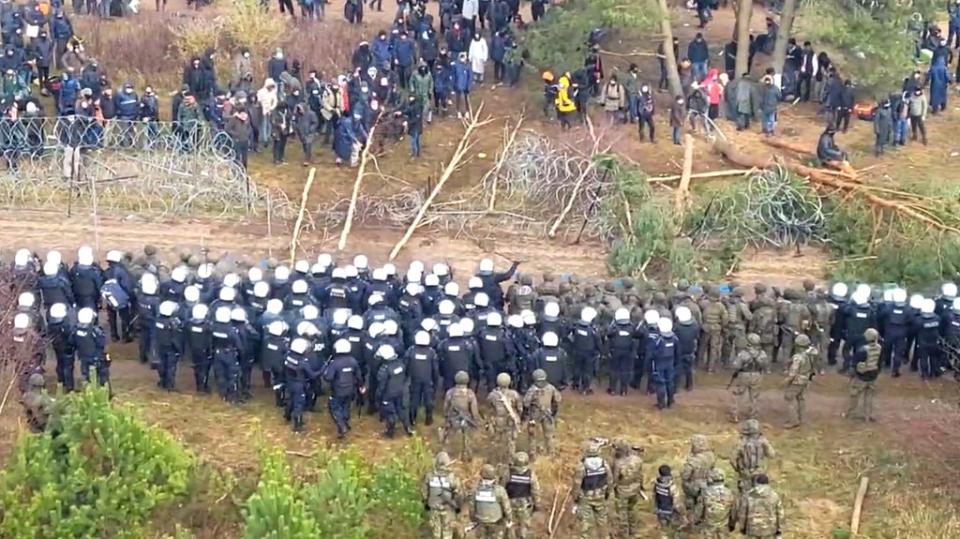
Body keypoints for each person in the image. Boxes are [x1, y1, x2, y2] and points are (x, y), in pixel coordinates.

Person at [730, 419, 775, 507]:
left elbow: (732, 459)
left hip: (745, 474)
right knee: (761, 497)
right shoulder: (763, 441)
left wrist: (739, 470)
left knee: (744, 498)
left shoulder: (741, 442)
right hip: (760, 473)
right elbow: (772, 454)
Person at [572, 440, 611, 539]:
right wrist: (608, 493)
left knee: (585, 522)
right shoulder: (604, 463)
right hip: (601, 494)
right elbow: (610, 479)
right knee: (602, 520)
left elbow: (577, 483)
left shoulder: (582, 466)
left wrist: (575, 498)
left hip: (586, 497)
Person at [441, 370, 480, 459]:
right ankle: (467, 455)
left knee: (451, 439)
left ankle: (451, 455)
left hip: (453, 421)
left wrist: (447, 418)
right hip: (467, 421)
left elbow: (445, 409)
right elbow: (474, 411)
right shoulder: (470, 394)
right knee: (467, 439)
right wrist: (475, 420)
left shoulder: (450, 392)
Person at [423, 451, 462, 539]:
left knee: (435, 533)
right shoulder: (452, 477)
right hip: (448, 509)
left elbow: (424, 492)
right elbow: (458, 494)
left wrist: (426, 504)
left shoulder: (429, 476)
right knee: (447, 532)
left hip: (433, 508)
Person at [523, 368, 561, 457]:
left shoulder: (532, 389)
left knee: (532, 436)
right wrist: (553, 412)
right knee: (549, 435)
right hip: (548, 414)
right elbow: (557, 400)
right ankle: (551, 453)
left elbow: (526, 403)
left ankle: (533, 454)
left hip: (534, 415)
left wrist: (525, 415)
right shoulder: (551, 387)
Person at [611, 438, 644, 538]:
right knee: (632, 510)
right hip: (635, 489)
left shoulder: (618, 463)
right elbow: (640, 475)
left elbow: (615, 480)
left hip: (622, 491)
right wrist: (640, 487)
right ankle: (633, 531)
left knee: (622, 513)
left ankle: (625, 534)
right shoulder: (638, 460)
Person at [487, 372, 523, 464]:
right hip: (510, 421)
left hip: (497, 421)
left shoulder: (492, 395)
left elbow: (489, 408)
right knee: (511, 442)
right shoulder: (514, 394)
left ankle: (493, 461)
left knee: (495, 441)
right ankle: (510, 462)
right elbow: (520, 409)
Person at [846, 328, 881, 422]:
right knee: (869, 396)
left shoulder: (862, 350)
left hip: (862, 377)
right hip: (873, 376)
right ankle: (867, 416)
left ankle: (850, 413)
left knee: (854, 395)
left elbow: (855, 364)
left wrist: (852, 374)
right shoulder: (879, 348)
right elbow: (880, 362)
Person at [502, 452, 539, 539]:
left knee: (509, 525)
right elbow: (535, 491)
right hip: (525, 505)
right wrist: (537, 504)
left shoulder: (508, 473)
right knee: (524, 526)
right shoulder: (531, 474)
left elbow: (502, 488)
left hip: (510, 504)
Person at [730, 333, 766, 422]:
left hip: (744, 375)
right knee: (754, 396)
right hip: (757, 375)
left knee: (739, 395)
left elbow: (736, 366)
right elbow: (765, 365)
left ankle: (735, 415)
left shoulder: (743, 353)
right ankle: (753, 415)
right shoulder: (762, 353)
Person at [470, 464, 513, 538]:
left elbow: (471, 508)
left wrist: (473, 519)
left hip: (481, 523)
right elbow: (506, 507)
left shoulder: (475, 490)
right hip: (496, 524)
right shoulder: (500, 490)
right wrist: (509, 518)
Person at [735, 474, 783, 539]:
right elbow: (780, 514)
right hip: (769, 530)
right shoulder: (774, 496)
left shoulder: (748, 496)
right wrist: (779, 530)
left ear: (756, 483)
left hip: (752, 530)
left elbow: (742, 514)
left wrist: (742, 528)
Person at [783, 333, 816, 428]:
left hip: (797, 380)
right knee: (801, 398)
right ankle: (803, 418)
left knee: (790, 398)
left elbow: (793, 372)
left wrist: (786, 380)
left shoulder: (798, 357)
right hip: (806, 378)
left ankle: (793, 420)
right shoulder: (811, 354)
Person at [681, 434, 716, 514]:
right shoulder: (711, 456)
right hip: (707, 483)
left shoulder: (693, 460)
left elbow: (685, 476)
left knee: (689, 497)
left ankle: (690, 512)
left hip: (694, 486)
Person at [694, 469, 734, 538]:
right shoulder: (729, 493)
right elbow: (733, 510)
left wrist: (696, 520)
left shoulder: (705, 493)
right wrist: (732, 523)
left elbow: (699, 510)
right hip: (724, 525)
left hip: (709, 526)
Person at [653, 464, 678, 535]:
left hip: (659, 509)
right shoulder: (671, 486)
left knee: (662, 528)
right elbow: (675, 498)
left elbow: (654, 495)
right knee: (671, 527)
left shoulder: (656, 483)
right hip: (670, 510)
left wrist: (655, 507)